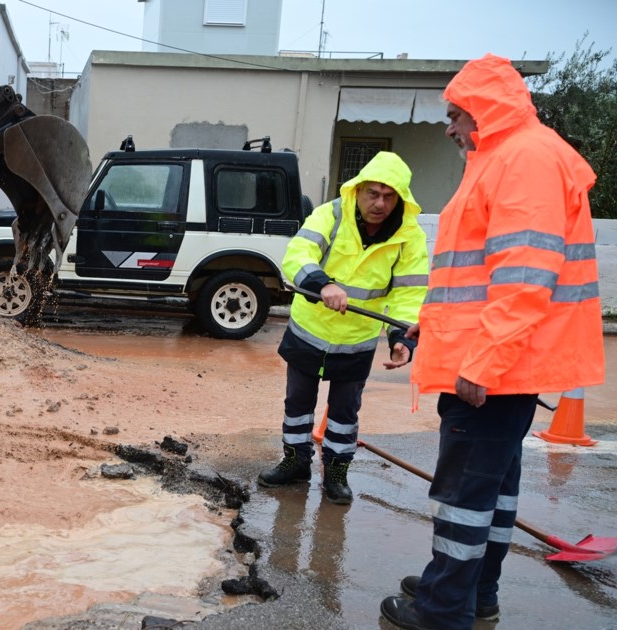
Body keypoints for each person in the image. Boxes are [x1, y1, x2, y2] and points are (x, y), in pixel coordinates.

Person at [379, 54, 605, 630]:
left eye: (455, 115)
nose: (449, 128)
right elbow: (479, 276)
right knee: (493, 491)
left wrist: (481, 362)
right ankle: (473, 592)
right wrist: (432, 324)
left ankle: (443, 608)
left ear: (484, 111)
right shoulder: (511, 156)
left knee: (463, 493)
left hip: (493, 369)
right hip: (507, 363)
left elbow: (524, 279)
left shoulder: (522, 159)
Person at [258, 151, 429, 504]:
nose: (379, 203)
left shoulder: (409, 236)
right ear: (358, 189)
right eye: (373, 193)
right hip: (309, 331)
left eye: (389, 196)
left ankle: (336, 474)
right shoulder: (331, 214)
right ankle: (295, 463)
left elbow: (409, 293)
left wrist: (401, 339)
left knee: (344, 414)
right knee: (297, 404)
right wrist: (323, 283)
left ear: (400, 198)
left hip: (356, 341)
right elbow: (297, 254)